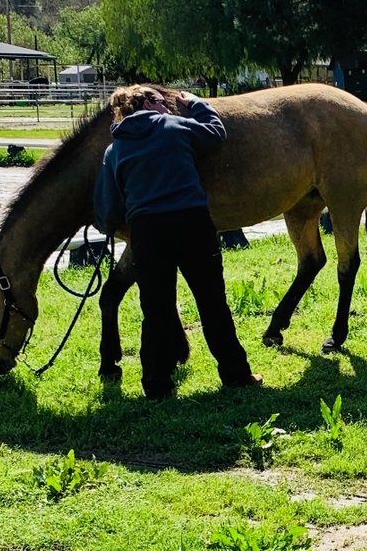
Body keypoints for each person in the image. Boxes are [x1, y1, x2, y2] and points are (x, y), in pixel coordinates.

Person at [93, 85, 261, 400]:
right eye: (161, 101)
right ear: (146, 103)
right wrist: (197, 104)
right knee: (212, 302)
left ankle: (157, 385)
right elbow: (214, 133)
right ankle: (236, 374)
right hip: (191, 223)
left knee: (155, 309)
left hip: (148, 232)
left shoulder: (114, 150)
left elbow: (107, 208)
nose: (168, 105)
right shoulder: (172, 126)